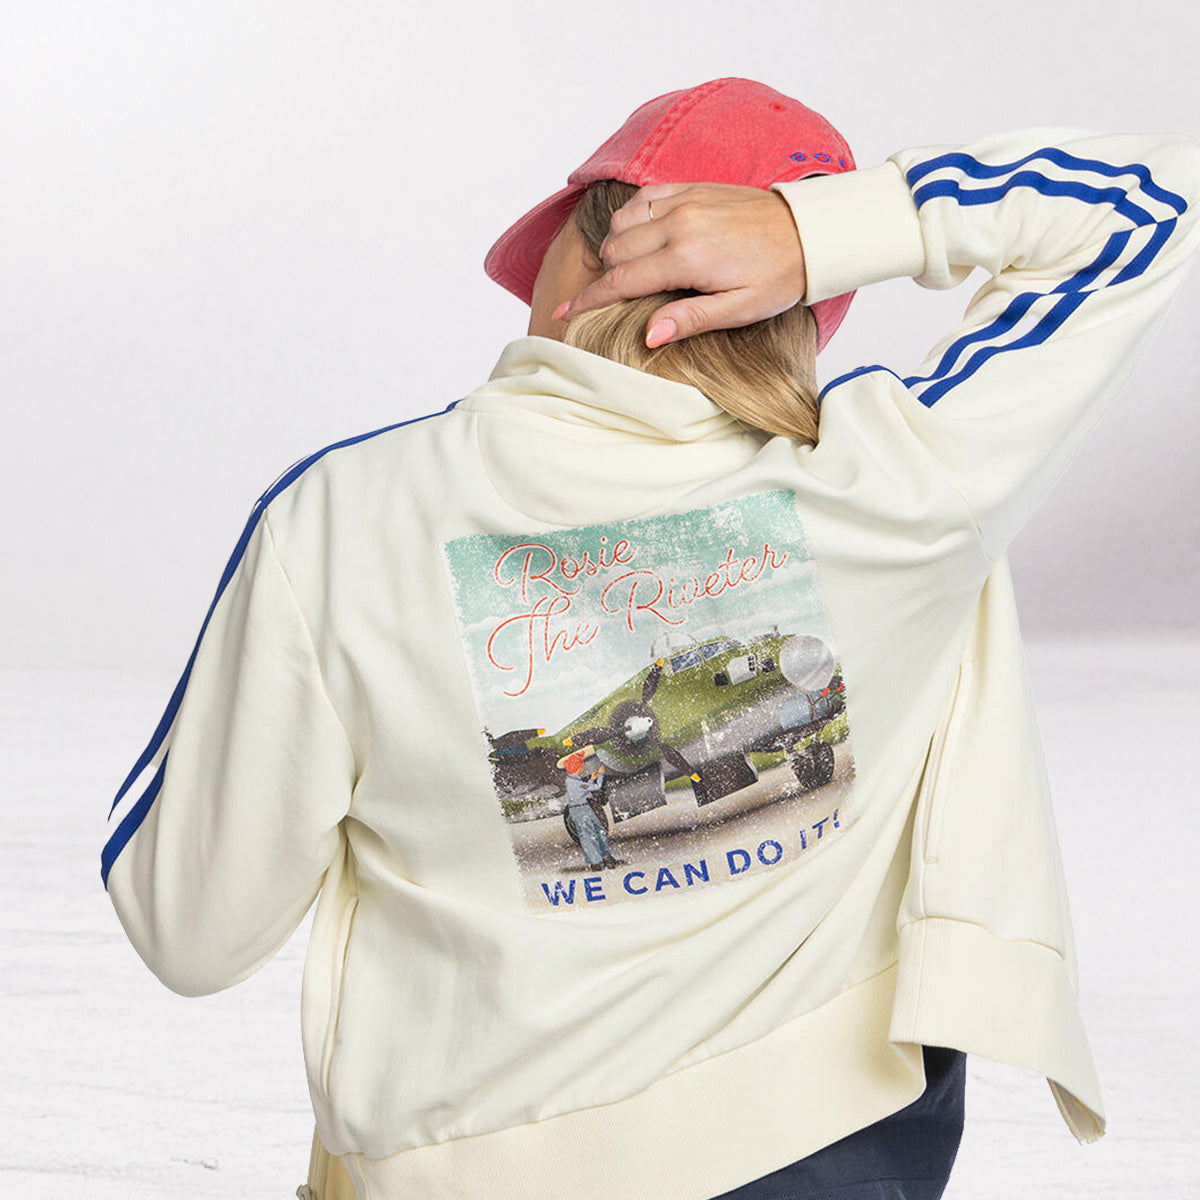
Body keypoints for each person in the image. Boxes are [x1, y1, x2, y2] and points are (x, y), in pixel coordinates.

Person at [100, 77, 1200, 1200]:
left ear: (578, 264)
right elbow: (1154, 200)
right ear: (805, 305)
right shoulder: (903, 480)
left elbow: (190, 930)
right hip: (831, 1142)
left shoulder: (344, 519)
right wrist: (835, 230)